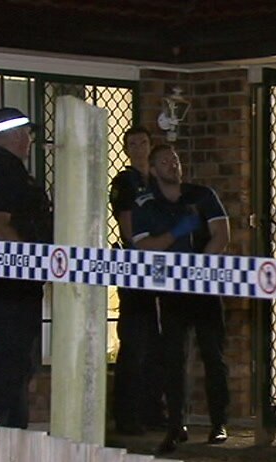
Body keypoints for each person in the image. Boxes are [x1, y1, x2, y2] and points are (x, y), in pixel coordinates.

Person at [132, 144, 231, 453]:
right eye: (164, 161)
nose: (172, 164)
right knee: (173, 359)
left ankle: (219, 424)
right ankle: (175, 426)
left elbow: (222, 235)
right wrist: (175, 234)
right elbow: (144, 247)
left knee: (214, 357)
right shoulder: (146, 204)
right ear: (152, 169)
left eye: (175, 159)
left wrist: (198, 267)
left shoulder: (202, 196)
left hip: (204, 287)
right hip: (171, 290)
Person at [0, 107, 53, 429]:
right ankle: (4, 436)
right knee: (9, 364)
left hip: (18, 284)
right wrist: (33, 262)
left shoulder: (9, 170)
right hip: (7, 285)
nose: (31, 141)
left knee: (18, 364)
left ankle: (10, 432)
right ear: (17, 136)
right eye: (29, 134)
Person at [109, 126, 164, 435]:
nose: (140, 148)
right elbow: (129, 229)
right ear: (127, 149)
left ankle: (153, 410)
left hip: (163, 268)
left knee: (158, 345)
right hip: (136, 267)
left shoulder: (159, 182)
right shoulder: (125, 183)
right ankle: (127, 416)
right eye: (133, 144)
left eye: (144, 142)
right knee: (135, 342)